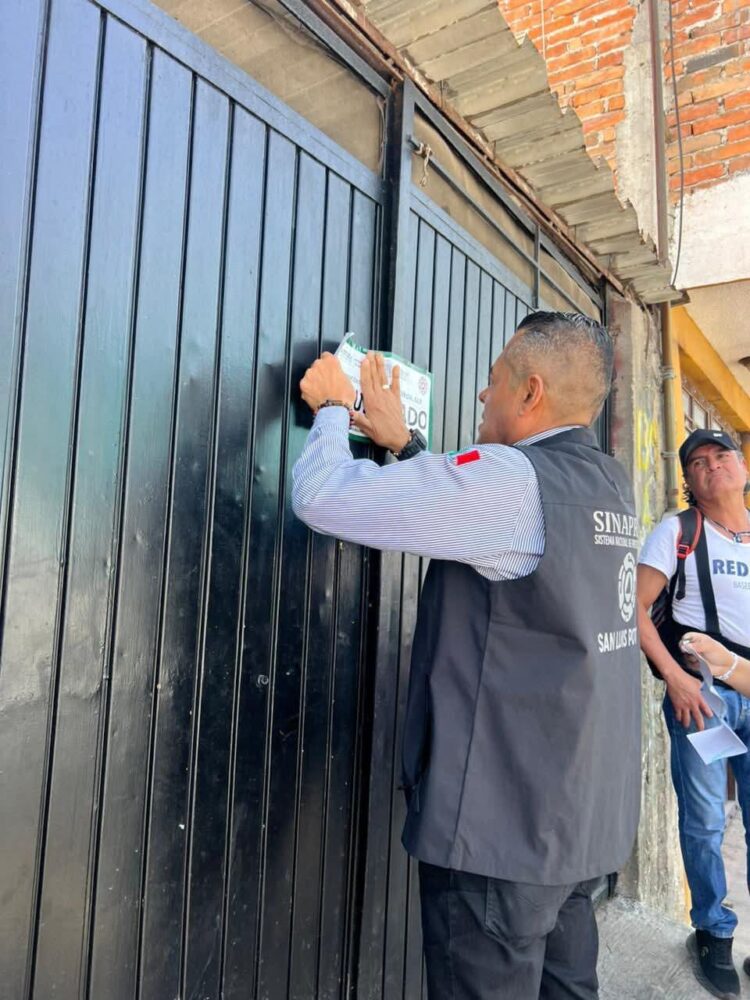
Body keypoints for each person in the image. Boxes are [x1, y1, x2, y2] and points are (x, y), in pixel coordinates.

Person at [292, 312, 641, 1000]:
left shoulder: (513, 481)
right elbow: (497, 534)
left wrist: (334, 408)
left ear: (530, 391)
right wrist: (409, 446)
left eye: (492, 382)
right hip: (575, 832)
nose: (483, 397)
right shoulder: (607, 483)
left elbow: (321, 497)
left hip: (500, 840)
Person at [637, 429, 750, 999]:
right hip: (704, 695)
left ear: (742, 465)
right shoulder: (678, 532)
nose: (711, 468)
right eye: (697, 463)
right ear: (689, 481)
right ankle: (713, 931)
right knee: (705, 820)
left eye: (721, 456)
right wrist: (675, 678)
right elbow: (629, 607)